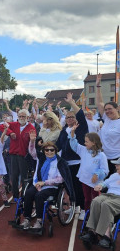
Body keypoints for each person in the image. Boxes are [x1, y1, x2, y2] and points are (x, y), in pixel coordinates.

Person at [20, 135, 74, 230]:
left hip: (52, 187)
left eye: (52, 150)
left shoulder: (60, 162)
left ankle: (39, 220)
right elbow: (32, 151)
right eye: (47, 150)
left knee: (39, 196)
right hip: (37, 184)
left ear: (55, 151)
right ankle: (27, 218)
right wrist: (32, 141)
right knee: (28, 193)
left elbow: (60, 179)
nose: (49, 152)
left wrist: (45, 183)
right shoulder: (41, 158)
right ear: (44, 151)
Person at [56, 92, 89, 220]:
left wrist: (71, 103)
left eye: (72, 117)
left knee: (78, 186)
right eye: (68, 117)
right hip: (65, 162)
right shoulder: (63, 131)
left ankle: (81, 208)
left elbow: (80, 114)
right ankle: (74, 206)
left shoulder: (81, 128)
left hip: (78, 162)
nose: (70, 119)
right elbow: (58, 145)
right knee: (69, 186)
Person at [69, 126, 108, 218]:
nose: (84, 143)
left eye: (87, 141)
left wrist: (97, 174)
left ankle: (96, 216)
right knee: (87, 199)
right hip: (85, 180)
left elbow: (105, 170)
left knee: (95, 199)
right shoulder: (83, 150)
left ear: (94, 143)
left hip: (95, 182)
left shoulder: (101, 155)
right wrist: (72, 133)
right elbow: (74, 145)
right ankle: (87, 215)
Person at [81, 158, 120, 249]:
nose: (115, 166)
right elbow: (105, 183)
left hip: (118, 198)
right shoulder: (114, 175)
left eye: (118, 164)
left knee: (106, 204)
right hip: (108, 195)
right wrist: (100, 185)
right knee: (95, 201)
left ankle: (107, 235)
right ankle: (92, 232)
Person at [0, 109, 36, 202]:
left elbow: (33, 142)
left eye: (23, 116)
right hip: (13, 154)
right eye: (20, 116)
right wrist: (10, 132)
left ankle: (23, 195)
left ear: (27, 118)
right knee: (13, 176)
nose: (21, 118)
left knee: (24, 177)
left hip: (24, 155)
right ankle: (15, 195)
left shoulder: (31, 127)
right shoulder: (14, 124)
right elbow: (1, 126)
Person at [96, 73, 120, 176]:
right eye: (106, 110)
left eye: (110, 109)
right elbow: (99, 102)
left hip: (117, 159)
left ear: (117, 109)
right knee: (104, 184)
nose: (107, 111)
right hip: (104, 157)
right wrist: (97, 86)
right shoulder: (106, 118)